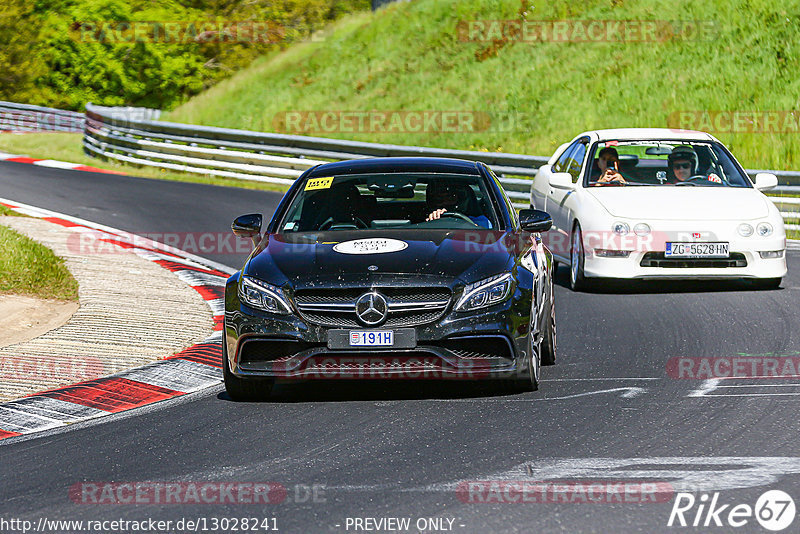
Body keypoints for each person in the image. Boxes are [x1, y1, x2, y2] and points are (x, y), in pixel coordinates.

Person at [425, 181, 491, 228]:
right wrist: (433, 222)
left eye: (450, 198)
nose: (445, 203)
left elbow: (486, 238)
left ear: (461, 199)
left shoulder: (482, 221)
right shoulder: (421, 221)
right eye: (439, 199)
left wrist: (471, 226)